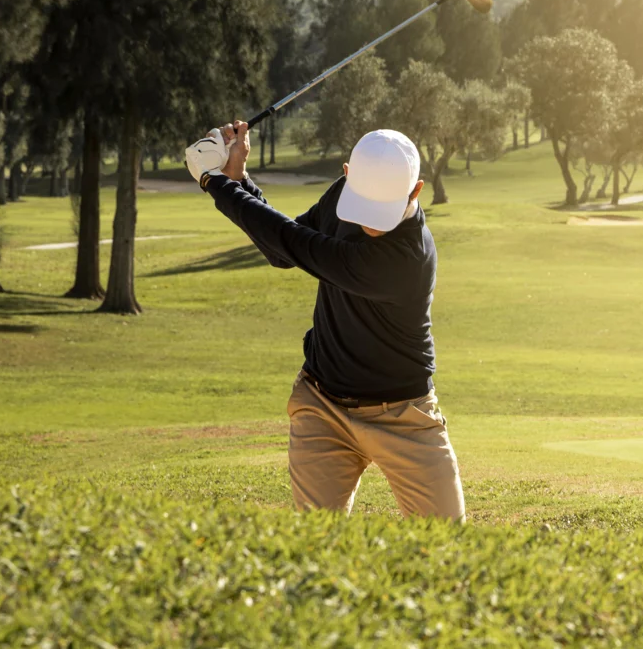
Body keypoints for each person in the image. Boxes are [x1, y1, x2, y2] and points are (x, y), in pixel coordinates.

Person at [198, 120, 465, 522]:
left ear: (416, 190)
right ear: (347, 174)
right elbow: (283, 251)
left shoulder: (406, 260)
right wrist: (239, 180)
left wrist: (216, 182)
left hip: (404, 416)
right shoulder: (344, 195)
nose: (371, 222)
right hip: (322, 406)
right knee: (315, 541)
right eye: (364, 204)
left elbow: (297, 245)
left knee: (447, 541)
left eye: (383, 209)